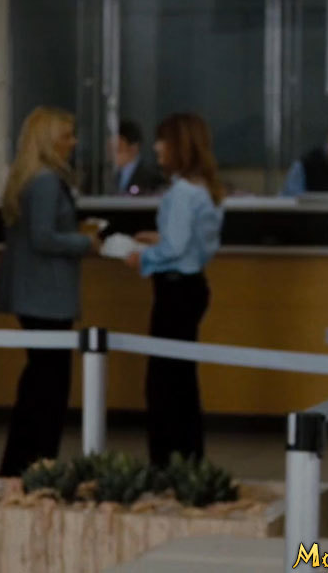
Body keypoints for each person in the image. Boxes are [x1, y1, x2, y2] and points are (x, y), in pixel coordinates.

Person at [0, 106, 99, 477]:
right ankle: (39, 464)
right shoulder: (47, 181)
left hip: (33, 296)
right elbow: (43, 237)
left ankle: (21, 464)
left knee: (37, 382)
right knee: (50, 388)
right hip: (47, 297)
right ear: (49, 141)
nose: (74, 142)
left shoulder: (28, 179)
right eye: (67, 135)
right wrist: (85, 242)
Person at [125, 112, 226, 467]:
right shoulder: (206, 188)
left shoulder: (182, 193)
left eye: (162, 140)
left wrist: (143, 257)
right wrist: (158, 239)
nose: (156, 148)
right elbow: (196, 243)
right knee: (182, 380)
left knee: (163, 383)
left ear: (178, 145)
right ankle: (189, 459)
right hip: (193, 287)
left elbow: (176, 247)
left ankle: (166, 461)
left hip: (174, 290)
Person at [110, 119, 168, 196]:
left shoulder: (152, 177)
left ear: (133, 148)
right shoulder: (106, 175)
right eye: (111, 149)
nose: (113, 154)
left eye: (119, 148)